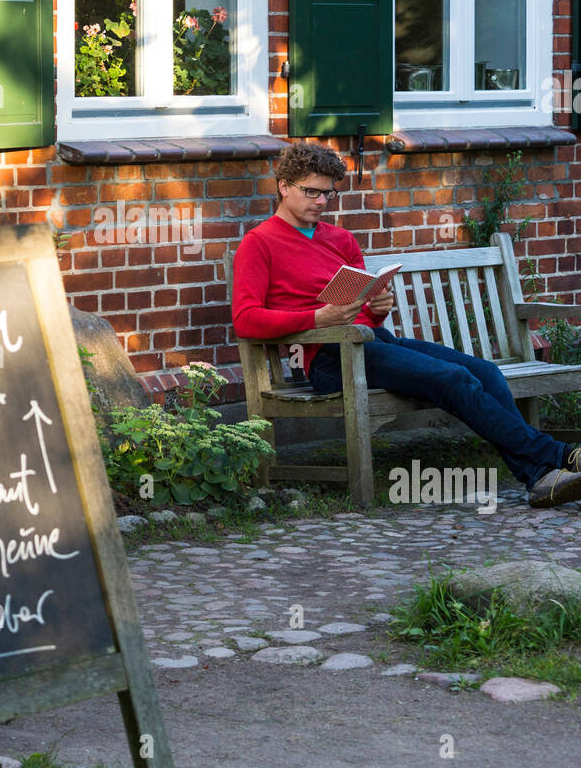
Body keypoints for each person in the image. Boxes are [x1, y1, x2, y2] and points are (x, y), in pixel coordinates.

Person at [232, 140, 581, 508]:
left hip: (373, 341)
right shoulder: (260, 244)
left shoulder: (341, 239)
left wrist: (378, 307)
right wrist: (317, 318)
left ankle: (540, 478)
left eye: (328, 194)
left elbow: (362, 311)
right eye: (311, 192)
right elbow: (245, 320)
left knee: (486, 371)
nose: (320, 201)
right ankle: (561, 456)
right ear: (284, 186)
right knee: (453, 380)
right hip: (326, 356)